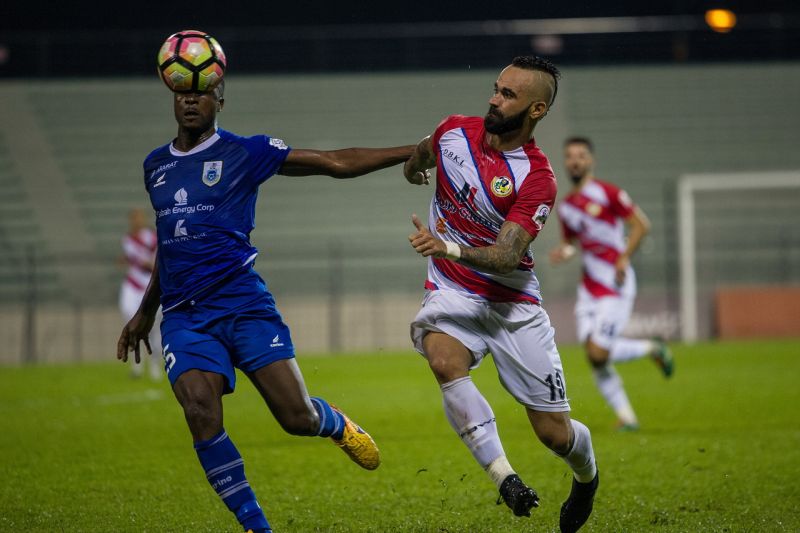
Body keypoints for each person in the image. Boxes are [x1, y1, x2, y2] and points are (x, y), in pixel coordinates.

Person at [116, 77, 422, 533]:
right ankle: (258, 527)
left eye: (201, 93)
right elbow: (170, 240)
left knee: (295, 418)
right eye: (183, 94)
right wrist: (146, 312)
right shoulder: (155, 165)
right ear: (173, 100)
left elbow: (335, 162)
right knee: (199, 409)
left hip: (242, 303)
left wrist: (414, 151)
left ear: (220, 100)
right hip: (185, 316)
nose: (191, 101)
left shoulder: (245, 152)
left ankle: (334, 423)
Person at [404, 56, 598, 533]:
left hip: (512, 306)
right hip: (452, 291)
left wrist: (445, 244)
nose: (493, 99)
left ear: (536, 110)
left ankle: (587, 477)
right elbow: (424, 152)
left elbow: (507, 256)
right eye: (496, 89)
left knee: (554, 435)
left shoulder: (538, 178)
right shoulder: (454, 131)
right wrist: (415, 169)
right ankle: (504, 476)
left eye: (508, 95)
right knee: (443, 361)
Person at [549, 137, 674, 430]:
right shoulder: (566, 207)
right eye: (570, 156)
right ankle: (627, 418)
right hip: (589, 288)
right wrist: (563, 252)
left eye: (581, 155)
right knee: (595, 358)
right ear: (566, 162)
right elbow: (570, 243)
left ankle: (652, 348)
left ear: (591, 160)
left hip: (615, 283)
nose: (575, 161)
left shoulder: (608, 193)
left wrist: (623, 257)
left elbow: (641, 225)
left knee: (598, 352)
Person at [119, 207, 162, 380]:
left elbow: (153, 260)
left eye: (139, 217)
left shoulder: (151, 237)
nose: (136, 221)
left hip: (149, 285)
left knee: (155, 328)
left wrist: (149, 263)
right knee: (131, 321)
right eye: (134, 218)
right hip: (133, 284)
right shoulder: (127, 239)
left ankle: (155, 365)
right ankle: (136, 366)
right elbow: (134, 259)